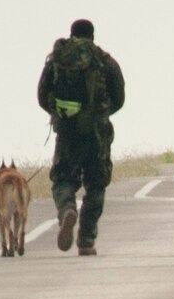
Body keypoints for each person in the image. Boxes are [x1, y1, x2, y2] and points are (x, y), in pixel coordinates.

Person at [36, 19, 126, 256]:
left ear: (71, 34)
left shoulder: (57, 60)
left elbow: (42, 95)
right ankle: (86, 240)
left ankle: (67, 209)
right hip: (97, 134)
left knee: (63, 179)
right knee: (96, 184)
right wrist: (100, 114)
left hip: (67, 133)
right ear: (92, 36)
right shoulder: (105, 61)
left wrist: (61, 115)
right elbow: (119, 98)